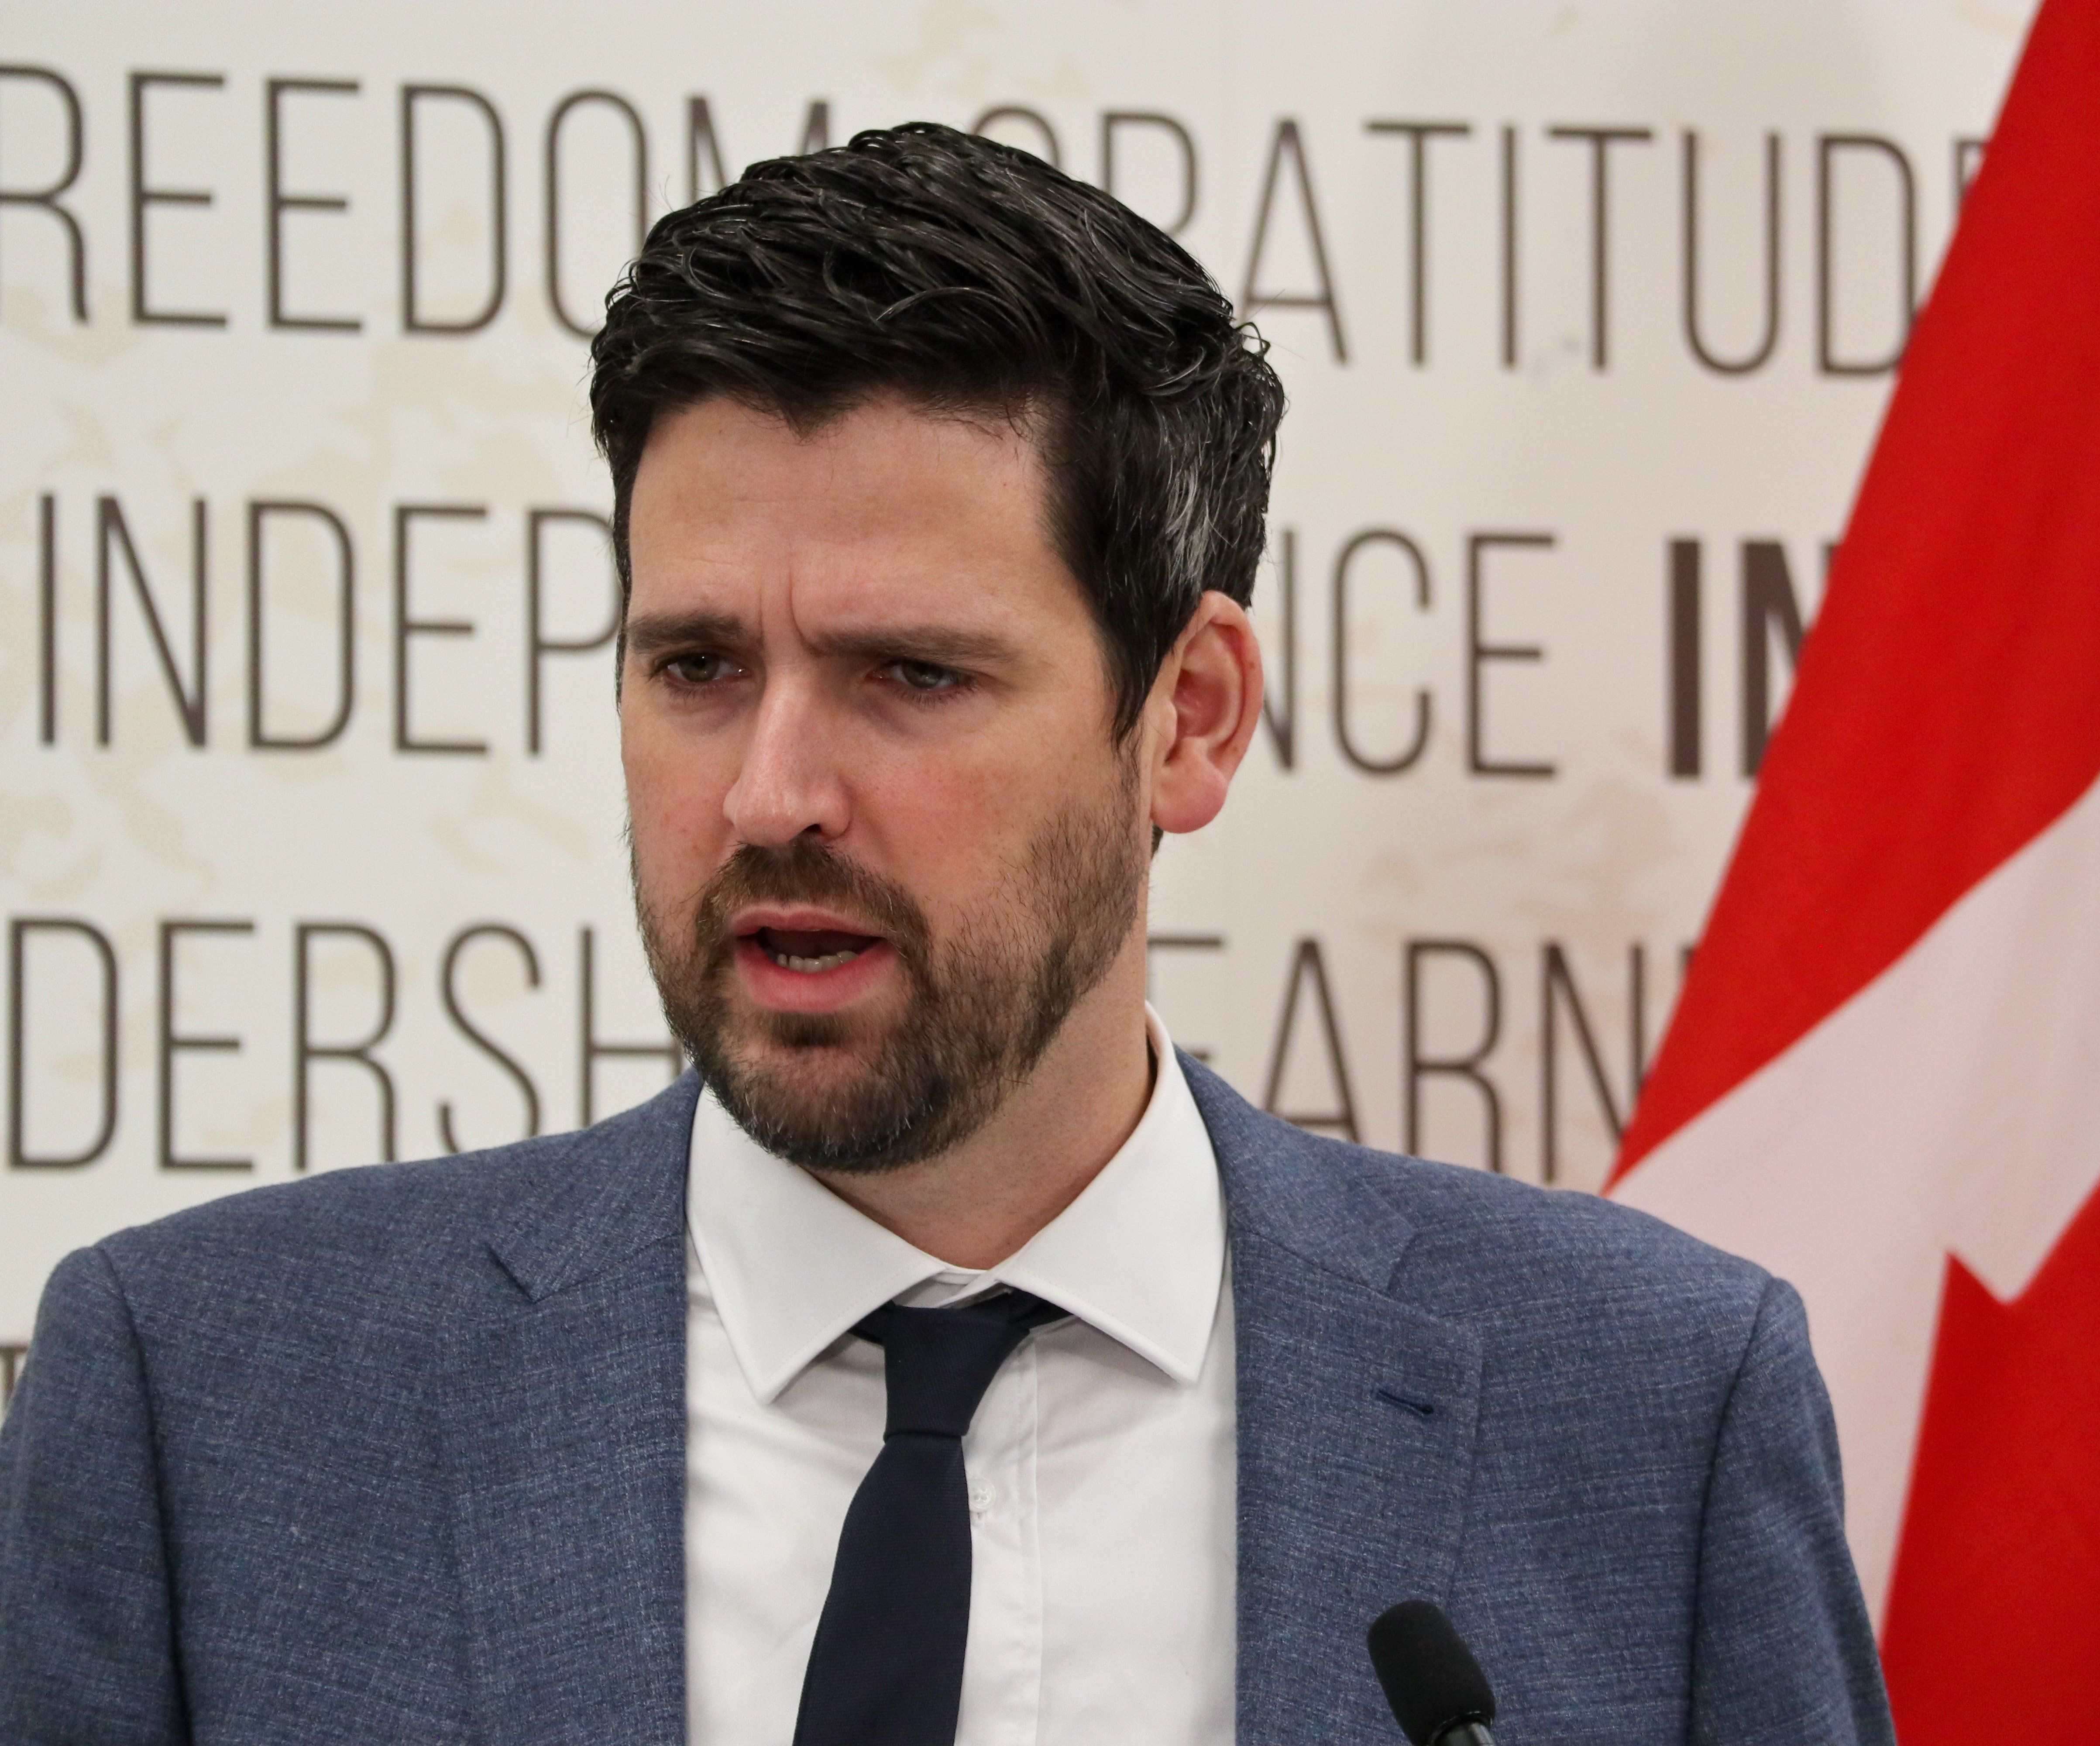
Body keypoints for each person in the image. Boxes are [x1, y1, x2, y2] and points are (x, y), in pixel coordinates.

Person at [0, 124, 1891, 1746]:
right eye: (697, 666)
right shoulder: (205, 1402)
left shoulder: (1653, 1413)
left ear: (1191, 716)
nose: (770, 794)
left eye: (911, 672)